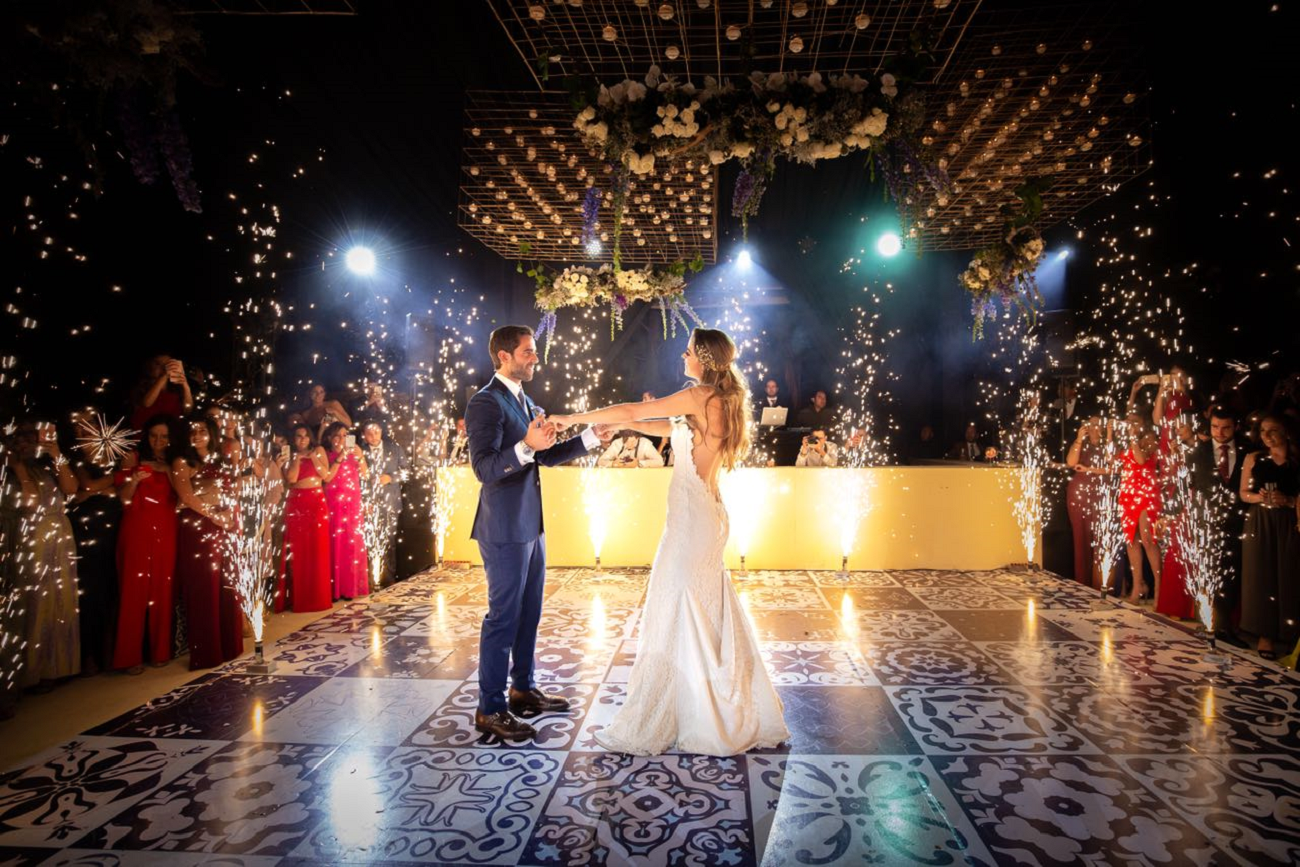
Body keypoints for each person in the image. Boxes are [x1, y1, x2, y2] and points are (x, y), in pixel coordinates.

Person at [553, 327, 789, 756]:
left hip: (692, 523)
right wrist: (617, 423)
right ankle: (700, 704)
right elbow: (652, 422)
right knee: (696, 604)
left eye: (688, 351)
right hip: (703, 516)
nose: (683, 356)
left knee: (679, 604)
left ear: (704, 358)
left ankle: (694, 711)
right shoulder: (719, 402)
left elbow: (634, 407)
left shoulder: (700, 396)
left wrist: (570, 419)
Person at [464, 325, 604, 741]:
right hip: (504, 528)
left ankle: (522, 689)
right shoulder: (485, 402)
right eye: (528, 351)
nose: (535, 357)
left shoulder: (526, 401)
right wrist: (525, 445)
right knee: (503, 618)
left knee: (529, 613)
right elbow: (484, 469)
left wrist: (590, 438)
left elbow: (546, 455)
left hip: (531, 525)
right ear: (504, 356)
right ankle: (490, 708)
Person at [4, 422, 81, 690]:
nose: (27, 443)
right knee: (37, 603)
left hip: (59, 534)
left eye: (31, 438)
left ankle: (60, 666)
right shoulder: (10, 472)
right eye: (21, 438)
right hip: (31, 538)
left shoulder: (46, 466)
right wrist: (18, 466)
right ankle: (34, 672)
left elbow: (71, 488)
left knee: (62, 600)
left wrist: (56, 454)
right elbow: (30, 501)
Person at [171, 417, 243, 669]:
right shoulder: (182, 462)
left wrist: (229, 513)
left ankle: (229, 645)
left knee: (226, 581)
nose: (197, 435)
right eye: (193, 431)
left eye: (202, 430)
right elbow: (187, 497)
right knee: (204, 585)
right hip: (198, 526)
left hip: (225, 523)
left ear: (212, 434)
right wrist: (215, 516)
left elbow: (233, 488)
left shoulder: (220, 460)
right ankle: (208, 651)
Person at [113, 415, 179, 672]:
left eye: (164, 436)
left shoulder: (175, 462)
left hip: (166, 531)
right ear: (146, 436)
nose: (158, 441)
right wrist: (135, 479)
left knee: (162, 591)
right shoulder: (133, 458)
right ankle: (129, 657)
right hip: (136, 530)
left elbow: (182, 495)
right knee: (133, 592)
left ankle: (160, 651)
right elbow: (124, 499)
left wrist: (170, 470)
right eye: (154, 435)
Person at [66, 410, 123, 675]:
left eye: (86, 423)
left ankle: (109, 652)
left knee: (112, 586)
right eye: (76, 425)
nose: (81, 429)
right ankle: (88, 656)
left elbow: (96, 489)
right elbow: (87, 486)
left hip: (114, 523)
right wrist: (111, 482)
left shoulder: (113, 454)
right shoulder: (76, 458)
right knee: (89, 589)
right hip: (87, 528)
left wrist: (99, 488)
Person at [1239, 415, 1300, 659]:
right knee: (1261, 574)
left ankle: (1290, 632)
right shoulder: (1254, 458)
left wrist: (1288, 500)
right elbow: (1243, 493)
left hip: (1288, 520)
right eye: (1263, 430)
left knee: (1289, 573)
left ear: (1285, 431)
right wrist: (1260, 497)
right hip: (1260, 519)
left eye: (1273, 430)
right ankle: (1265, 635)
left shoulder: (1296, 460)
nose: (1267, 435)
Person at [1190, 406, 1249, 637]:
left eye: (1226, 428)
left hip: (1238, 521)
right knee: (1207, 571)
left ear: (1235, 427)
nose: (1220, 432)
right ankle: (1207, 623)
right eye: (1215, 427)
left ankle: (1225, 627)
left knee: (1232, 573)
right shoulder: (1199, 451)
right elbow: (1188, 484)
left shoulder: (1247, 450)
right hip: (1207, 520)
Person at [275, 424, 332, 613]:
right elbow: (291, 479)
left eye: (306, 435)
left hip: (316, 501)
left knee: (318, 548)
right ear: (293, 438)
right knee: (298, 550)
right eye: (299, 436)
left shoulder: (319, 450)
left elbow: (326, 476)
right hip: (297, 502)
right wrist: (297, 460)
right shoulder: (290, 454)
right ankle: (299, 598)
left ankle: (319, 597)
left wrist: (313, 458)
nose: (302, 439)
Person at [322, 422, 370, 601]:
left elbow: (366, 475)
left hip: (352, 504)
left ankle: (350, 588)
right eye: (337, 435)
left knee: (351, 544)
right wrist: (341, 456)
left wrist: (361, 457)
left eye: (344, 435)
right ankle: (334, 588)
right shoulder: (326, 455)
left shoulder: (354, 455)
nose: (341, 439)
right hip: (333, 504)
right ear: (330, 438)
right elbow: (327, 478)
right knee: (334, 542)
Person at [1118, 416, 1161, 604]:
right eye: (1128, 420)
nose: (1131, 424)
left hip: (1146, 493)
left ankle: (1159, 588)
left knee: (1148, 539)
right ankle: (1138, 586)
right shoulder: (1125, 439)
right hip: (1128, 493)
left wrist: (1133, 438)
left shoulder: (1150, 437)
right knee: (1131, 540)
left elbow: (1141, 460)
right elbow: (1113, 461)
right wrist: (1111, 435)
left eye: (1135, 420)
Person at [360, 420, 407, 585]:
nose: (373, 436)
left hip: (391, 501)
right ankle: (370, 580)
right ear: (364, 436)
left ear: (381, 432)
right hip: (369, 502)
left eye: (376, 432)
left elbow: (407, 471)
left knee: (389, 541)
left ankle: (388, 579)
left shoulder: (394, 448)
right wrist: (365, 500)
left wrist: (391, 478)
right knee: (369, 541)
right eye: (369, 434)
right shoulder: (360, 451)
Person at [1065, 416, 1107, 588]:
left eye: (1097, 425)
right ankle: (1082, 582)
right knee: (1080, 537)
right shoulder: (1081, 444)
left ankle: (1101, 583)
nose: (1093, 428)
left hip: (1101, 493)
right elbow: (1071, 462)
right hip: (1079, 493)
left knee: (1100, 539)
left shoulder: (1108, 444)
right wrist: (1079, 439)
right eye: (1089, 424)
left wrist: (1090, 469)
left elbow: (1114, 468)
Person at [129, 355, 194, 431]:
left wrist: (186, 386)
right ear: (149, 366)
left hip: (170, 433)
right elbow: (147, 404)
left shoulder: (176, 389)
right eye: (158, 364)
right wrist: (164, 376)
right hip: (145, 431)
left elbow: (187, 409)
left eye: (168, 364)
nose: (164, 368)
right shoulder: (141, 387)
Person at [597, 432, 665, 468]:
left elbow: (660, 462)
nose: (629, 445)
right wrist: (613, 463)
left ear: (638, 438)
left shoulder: (645, 444)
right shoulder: (617, 444)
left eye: (633, 442)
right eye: (626, 442)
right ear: (622, 438)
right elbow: (600, 461)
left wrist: (639, 463)